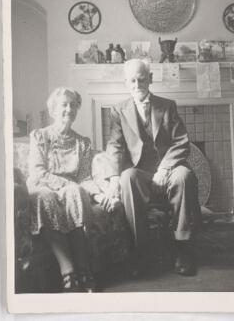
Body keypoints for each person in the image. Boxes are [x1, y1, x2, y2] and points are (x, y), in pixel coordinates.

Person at [105, 59, 201, 276]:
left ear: (150, 79)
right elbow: (115, 145)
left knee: (184, 176)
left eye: (141, 79)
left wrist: (164, 169)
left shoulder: (167, 106)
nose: (137, 84)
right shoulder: (118, 110)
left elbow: (181, 142)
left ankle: (182, 248)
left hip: (169, 167)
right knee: (127, 177)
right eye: (132, 80)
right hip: (141, 170)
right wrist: (113, 178)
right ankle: (140, 251)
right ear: (126, 83)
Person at [27, 87, 104, 292]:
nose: (69, 109)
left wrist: (97, 193)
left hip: (71, 190)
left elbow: (84, 178)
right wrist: (66, 185)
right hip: (44, 185)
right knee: (45, 197)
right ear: (53, 110)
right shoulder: (39, 137)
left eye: (73, 105)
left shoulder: (83, 143)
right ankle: (68, 272)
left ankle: (83, 268)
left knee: (76, 193)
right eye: (64, 104)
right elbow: (37, 172)